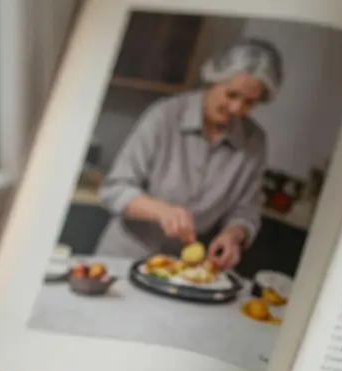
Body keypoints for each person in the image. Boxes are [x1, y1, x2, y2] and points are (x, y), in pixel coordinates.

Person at [95, 38, 282, 271]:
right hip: (123, 259)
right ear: (213, 79)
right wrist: (161, 211)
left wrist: (233, 236)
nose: (237, 109)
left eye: (249, 102)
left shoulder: (254, 142)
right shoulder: (164, 116)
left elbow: (246, 211)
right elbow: (114, 189)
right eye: (231, 95)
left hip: (185, 269)